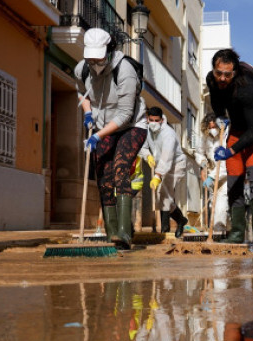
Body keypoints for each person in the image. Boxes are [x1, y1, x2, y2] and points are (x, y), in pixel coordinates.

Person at [77, 28, 147, 249]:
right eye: (91, 60)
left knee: (120, 167)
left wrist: (97, 135)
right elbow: (81, 92)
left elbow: (126, 114)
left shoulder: (124, 70)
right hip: (103, 125)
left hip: (132, 125)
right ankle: (112, 235)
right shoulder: (82, 69)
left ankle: (125, 234)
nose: (95, 64)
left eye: (99, 60)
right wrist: (88, 112)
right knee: (103, 176)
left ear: (108, 51)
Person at [206, 49, 253, 250]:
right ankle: (236, 232)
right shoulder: (211, 79)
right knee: (234, 177)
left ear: (234, 73)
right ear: (214, 69)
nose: (222, 78)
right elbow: (216, 102)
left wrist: (231, 151)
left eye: (227, 74)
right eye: (219, 73)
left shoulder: (246, 88)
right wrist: (219, 117)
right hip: (235, 128)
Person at [141, 106, 189, 237]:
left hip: (175, 165)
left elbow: (167, 157)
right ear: (147, 118)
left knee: (163, 193)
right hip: (160, 165)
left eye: (157, 120)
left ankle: (165, 229)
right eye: (151, 120)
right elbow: (143, 147)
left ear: (162, 120)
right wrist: (148, 156)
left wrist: (157, 175)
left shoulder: (169, 133)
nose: (154, 123)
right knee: (162, 196)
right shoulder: (147, 130)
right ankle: (180, 220)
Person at [196, 113, 229, 233]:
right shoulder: (205, 137)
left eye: (214, 126)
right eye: (210, 127)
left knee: (221, 203)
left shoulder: (226, 137)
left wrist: (211, 176)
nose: (212, 130)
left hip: (224, 175)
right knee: (212, 204)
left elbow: (225, 163)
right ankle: (215, 230)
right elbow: (199, 152)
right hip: (211, 171)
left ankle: (219, 230)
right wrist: (203, 162)